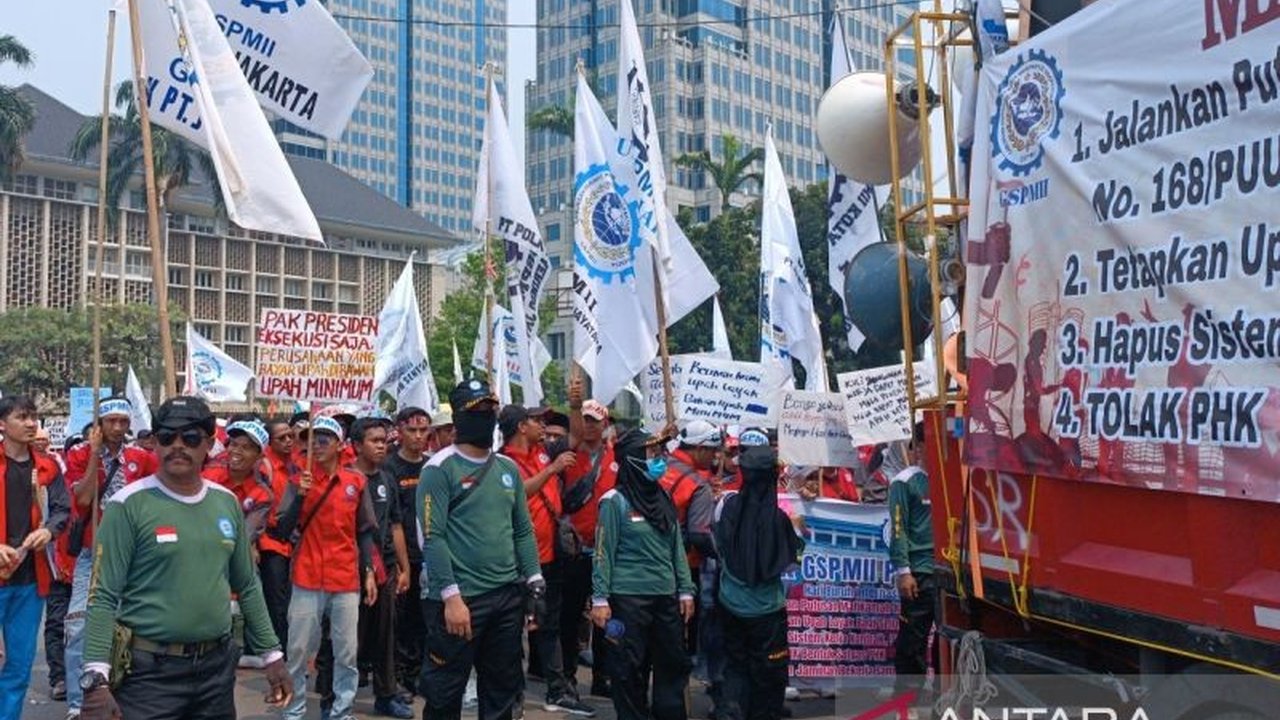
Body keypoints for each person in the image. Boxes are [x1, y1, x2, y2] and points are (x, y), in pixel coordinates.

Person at [77, 396, 291, 719]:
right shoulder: (127, 505)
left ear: (209, 444)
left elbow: (247, 585)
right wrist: (96, 677)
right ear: (155, 442)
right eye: (167, 437)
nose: (177, 446)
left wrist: (271, 655)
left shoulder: (226, 503)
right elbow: (102, 595)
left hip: (216, 673)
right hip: (148, 676)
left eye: (190, 437)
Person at [418, 380, 544, 720]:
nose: (487, 416)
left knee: (501, 692)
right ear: (459, 417)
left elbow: (522, 529)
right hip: (459, 600)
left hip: (505, 597)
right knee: (444, 694)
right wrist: (451, 597)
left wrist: (535, 579)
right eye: (478, 410)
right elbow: (433, 538)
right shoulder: (439, 469)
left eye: (491, 408)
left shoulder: (507, 469)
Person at [274, 416, 378, 720]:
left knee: (346, 654)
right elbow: (282, 531)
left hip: (345, 578)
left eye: (322, 440)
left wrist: (369, 571)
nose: (315, 447)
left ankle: (341, 712)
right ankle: (293, 712)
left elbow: (364, 531)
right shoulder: (298, 481)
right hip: (306, 577)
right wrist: (300, 497)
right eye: (310, 442)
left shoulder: (356, 481)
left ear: (339, 445)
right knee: (297, 651)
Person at [63, 397, 158, 719]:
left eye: (123, 421)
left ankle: (123, 696)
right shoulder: (79, 454)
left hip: (133, 555)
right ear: (99, 424)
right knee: (79, 625)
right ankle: (77, 704)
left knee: (130, 626)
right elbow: (83, 498)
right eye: (111, 421)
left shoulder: (141, 457)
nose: (117, 427)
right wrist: (94, 454)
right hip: (92, 552)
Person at [591, 429, 695, 720]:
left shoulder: (662, 497)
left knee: (672, 664)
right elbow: (602, 553)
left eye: (659, 453)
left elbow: (676, 548)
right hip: (627, 600)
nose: (659, 460)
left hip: (665, 596)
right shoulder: (614, 501)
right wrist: (600, 599)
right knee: (627, 667)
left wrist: (685, 590)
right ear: (633, 459)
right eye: (651, 454)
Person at [498, 404, 593, 716]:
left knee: (549, 625)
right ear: (520, 426)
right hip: (517, 560)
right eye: (536, 420)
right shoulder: (501, 462)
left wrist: (576, 405)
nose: (543, 425)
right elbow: (516, 493)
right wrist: (551, 470)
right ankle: (512, 694)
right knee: (512, 629)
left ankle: (557, 690)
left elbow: (577, 435)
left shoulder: (544, 451)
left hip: (550, 557)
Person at [325, 416, 414, 719]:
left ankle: (386, 695)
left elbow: (396, 525)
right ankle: (332, 699)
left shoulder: (387, 479)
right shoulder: (343, 479)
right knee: (343, 638)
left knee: (386, 635)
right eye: (374, 441)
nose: (381, 446)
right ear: (356, 445)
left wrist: (404, 567)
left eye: (384, 440)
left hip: (385, 570)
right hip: (348, 572)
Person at [713, 434, 805, 720]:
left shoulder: (726, 507)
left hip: (730, 603)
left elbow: (718, 545)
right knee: (769, 675)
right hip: (766, 611)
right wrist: (797, 532)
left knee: (736, 667)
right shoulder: (779, 520)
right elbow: (792, 567)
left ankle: (732, 711)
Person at [0, 396, 70, 716]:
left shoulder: (48, 466)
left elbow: (62, 509)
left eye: (33, 416)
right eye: (22, 417)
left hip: (30, 580)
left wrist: (49, 531)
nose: (31, 423)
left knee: (19, 666)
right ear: (3, 424)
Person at [562, 391, 618, 699]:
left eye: (595, 421)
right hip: (575, 550)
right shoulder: (569, 455)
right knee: (570, 617)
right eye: (585, 420)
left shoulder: (616, 456)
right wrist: (574, 404)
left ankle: (602, 677)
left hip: (605, 552)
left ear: (605, 424)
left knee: (605, 618)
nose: (589, 426)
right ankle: (567, 675)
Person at [384, 405, 432, 699]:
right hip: (402, 559)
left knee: (426, 621)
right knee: (400, 622)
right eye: (412, 430)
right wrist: (402, 565)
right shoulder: (389, 467)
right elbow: (393, 521)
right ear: (399, 431)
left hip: (431, 556)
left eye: (423, 430)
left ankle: (419, 675)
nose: (418, 436)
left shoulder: (433, 465)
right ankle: (398, 677)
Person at [888, 424, 936, 701]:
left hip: (947, 573)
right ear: (917, 447)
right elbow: (898, 529)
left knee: (946, 643)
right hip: (919, 574)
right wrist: (904, 571)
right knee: (912, 642)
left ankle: (943, 699)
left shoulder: (953, 478)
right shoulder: (905, 482)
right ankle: (906, 702)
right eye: (930, 443)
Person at [258, 419, 298, 654]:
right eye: (282, 438)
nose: (288, 441)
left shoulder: (296, 465)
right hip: (270, 543)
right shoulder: (264, 467)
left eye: (291, 436)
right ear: (270, 442)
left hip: (291, 543)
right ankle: (276, 649)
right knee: (276, 601)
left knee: (288, 601)